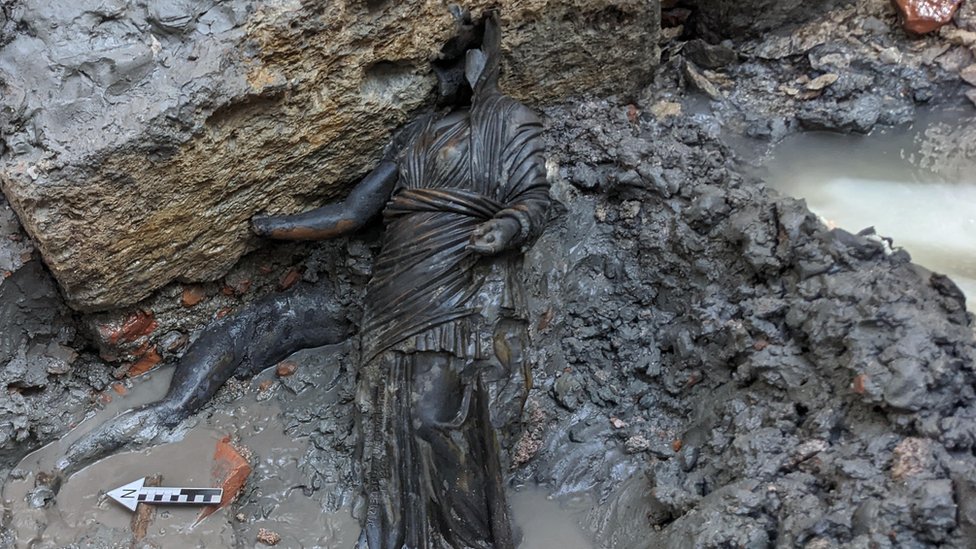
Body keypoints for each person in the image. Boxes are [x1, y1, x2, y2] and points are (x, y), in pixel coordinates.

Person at [57, 12, 548, 548]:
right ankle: (407, 532)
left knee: (434, 420)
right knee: (398, 421)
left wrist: (506, 227)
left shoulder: (511, 121)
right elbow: (354, 210)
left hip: (458, 281)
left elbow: (535, 200)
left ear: (480, 63)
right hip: (396, 290)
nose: (440, 74)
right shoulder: (421, 135)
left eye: (453, 60)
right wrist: (270, 226)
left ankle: (468, 535)